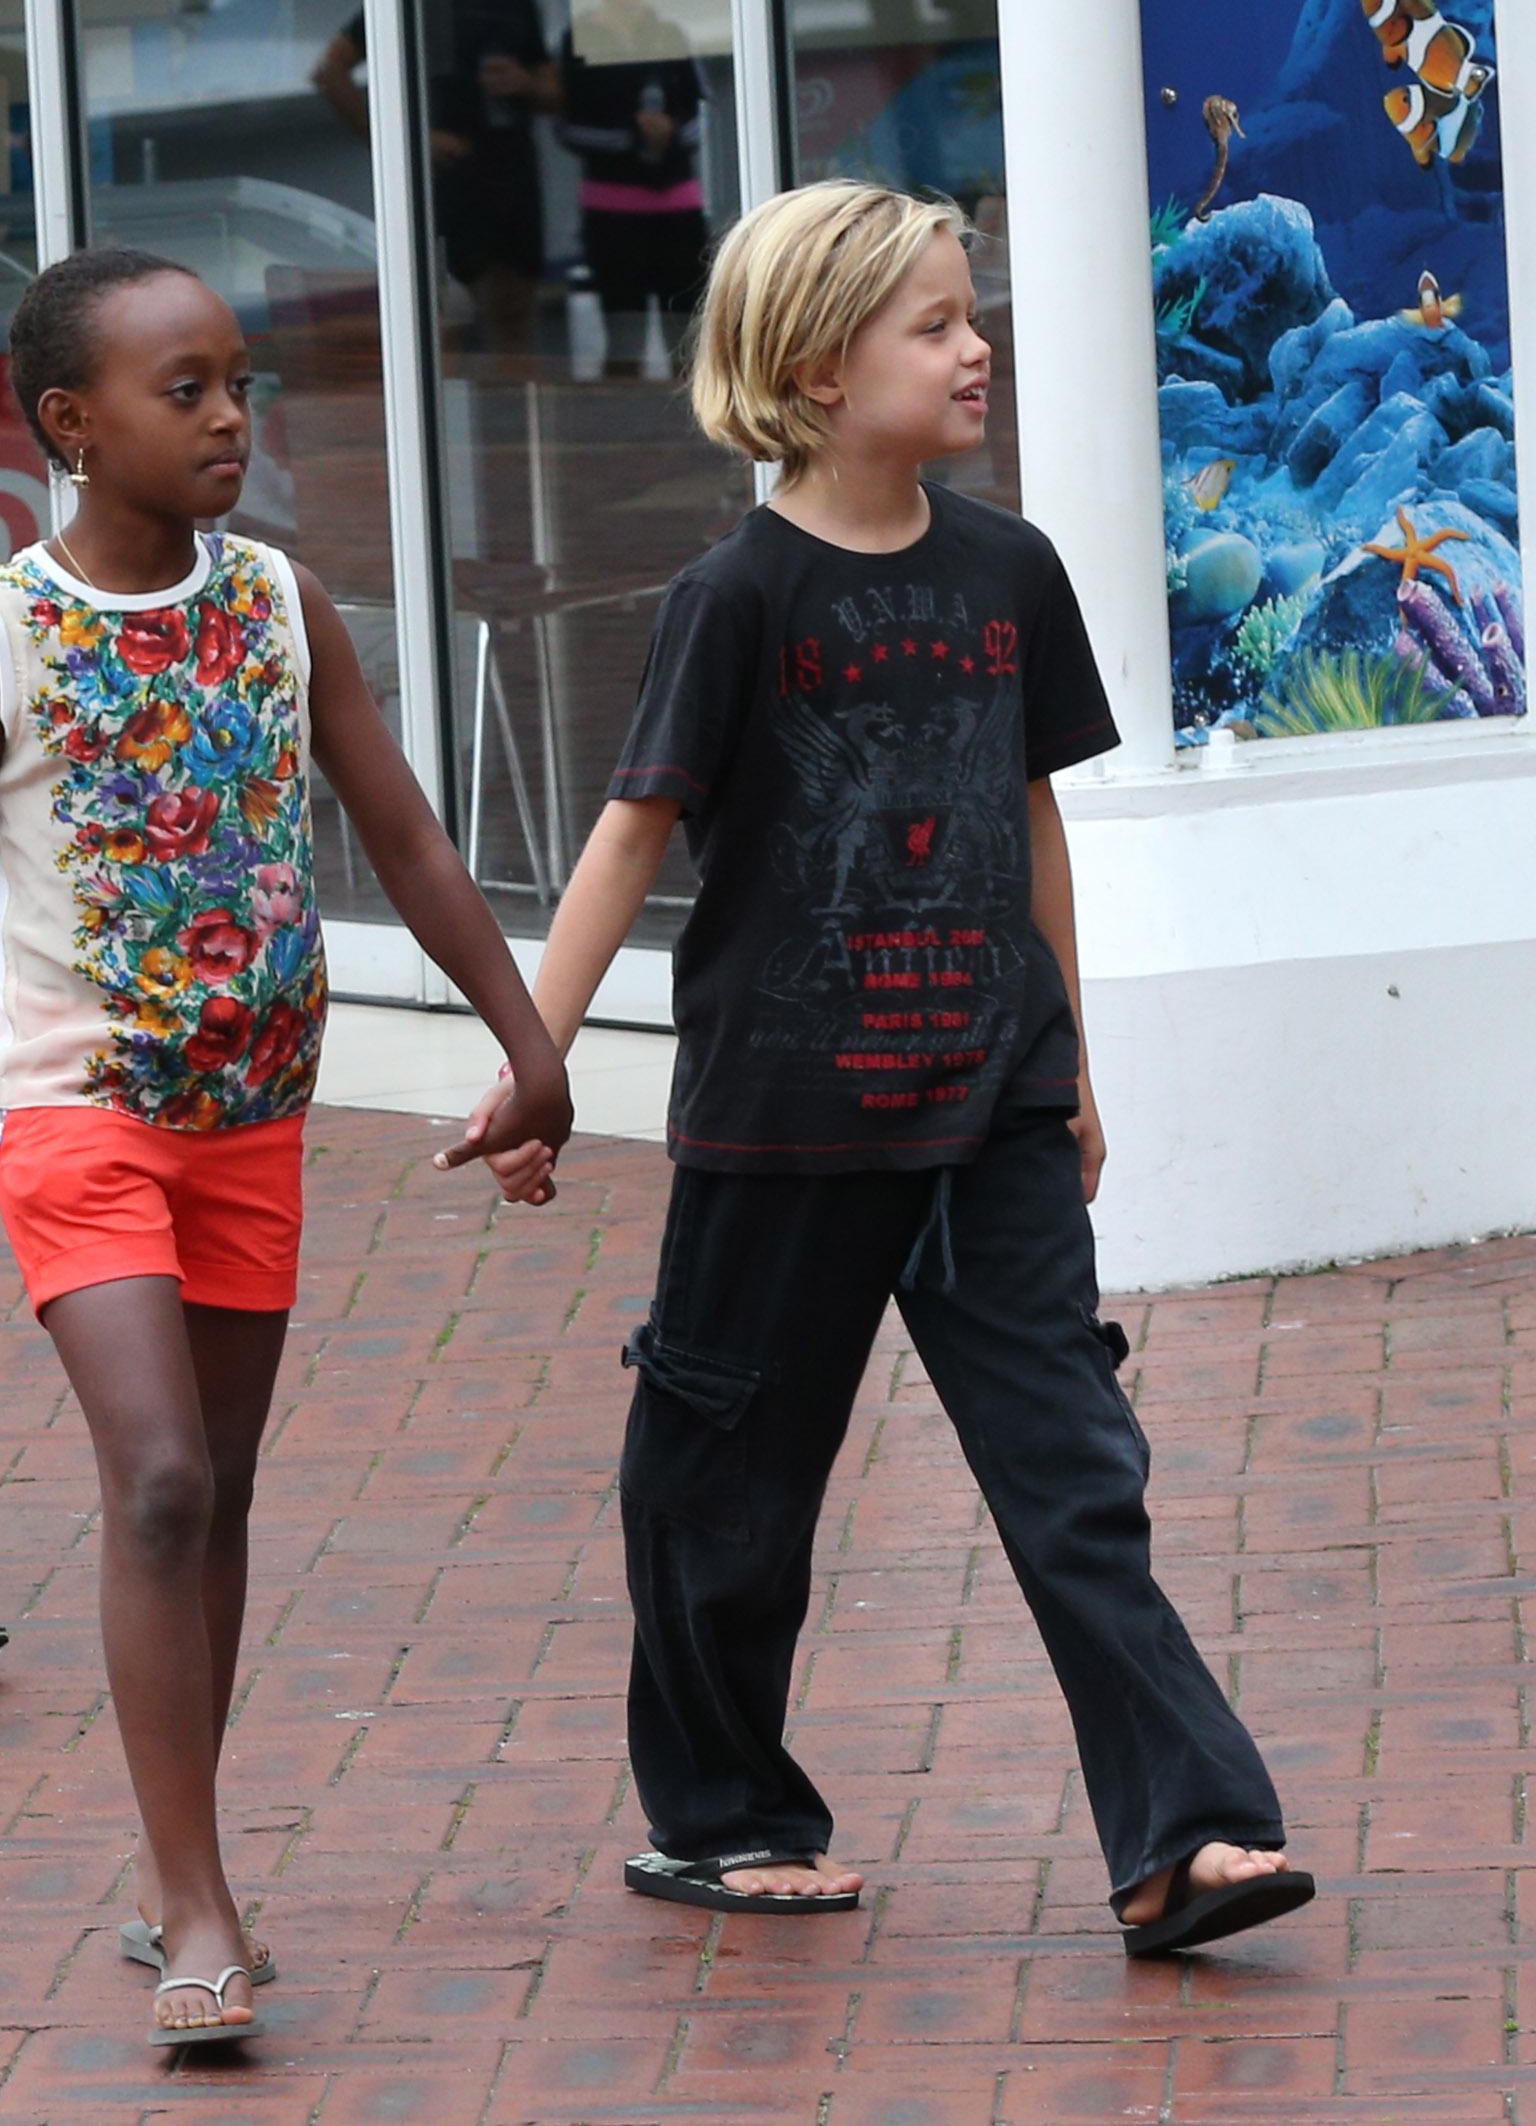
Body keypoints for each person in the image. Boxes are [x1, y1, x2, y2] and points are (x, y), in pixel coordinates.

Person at [460, 182, 1311, 1956]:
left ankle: (1189, 1838)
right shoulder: (737, 592)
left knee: (1078, 1468)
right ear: (815, 368)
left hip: (989, 1104)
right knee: (722, 1490)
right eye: (932, 323)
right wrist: (535, 1062)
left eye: (968, 310)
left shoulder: (1009, 570)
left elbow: (1034, 827)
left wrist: (1066, 1054)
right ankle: (721, 1816)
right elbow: (627, 839)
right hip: (782, 1124)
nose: (974, 343)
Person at [0, 246, 572, 2046]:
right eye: (187, 390)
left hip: (253, 1109)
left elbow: (403, 836)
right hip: (70, 1105)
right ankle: (198, 1897)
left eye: (240, 383)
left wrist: (532, 1046)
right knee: (156, 1475)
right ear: (71, 426)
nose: (230, 415)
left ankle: (184, 1861)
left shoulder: (287, 605)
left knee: (215, 1494)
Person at [311, 0, 555, 356]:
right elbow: (330, 71)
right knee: (445, 328)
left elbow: (554, 91)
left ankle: (516, 428)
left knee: (515, 320)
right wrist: (401, 143)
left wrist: (525, 83)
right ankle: (448, 429)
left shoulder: (517, 0)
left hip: (513, 180)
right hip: (449, 185)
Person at [556, 0, 711, 380]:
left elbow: (702, 114)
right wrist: (631, 136)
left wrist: (672, 134)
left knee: (689, 343)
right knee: (623, 342)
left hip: (678, 210)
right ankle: (623, 433)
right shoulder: (580, 36)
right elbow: (566, 126)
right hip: (612, 212)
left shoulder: (671, 33)